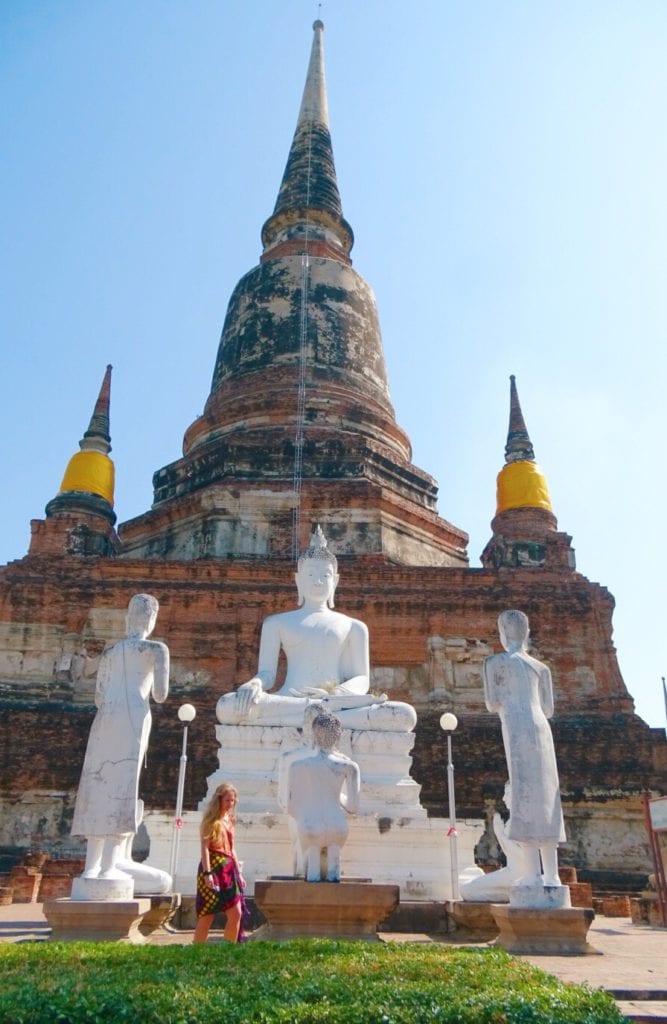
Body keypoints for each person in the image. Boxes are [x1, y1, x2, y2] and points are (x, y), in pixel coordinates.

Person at [217, 526, 415, 732]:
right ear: (298, 580)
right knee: (227, 706)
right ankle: (316, 713)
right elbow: (267, 675)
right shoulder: (276, 623)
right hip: (288, 700)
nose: (318, 581)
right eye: (310, 574)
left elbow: (362, 679)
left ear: (335, 581)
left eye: (325, 575)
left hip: (335, 703)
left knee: (403, 715)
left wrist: (336, 694)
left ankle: (316, 713)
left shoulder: (354, 626)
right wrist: (255, 684)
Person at [71, 593, 169, 884]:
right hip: (135, 716)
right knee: (124, 785)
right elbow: (160, 694)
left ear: (129, 618)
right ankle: (110, 866)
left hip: (105, 719)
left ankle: (91, 867)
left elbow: (99, 695)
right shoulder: (156, 649)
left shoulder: (111, 652)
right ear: (152, 618)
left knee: (97, 785)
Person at [483, 609, 566, 887]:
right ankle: (552, 875)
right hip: (541, 728)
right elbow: (548, 708)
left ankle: (531, 874)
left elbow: (493, 702)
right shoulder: (541, 667)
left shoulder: (494, 663)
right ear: (527, 632)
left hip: (516, 725)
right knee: (547, 796)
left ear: (502, 633)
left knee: (524, 794)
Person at [287, 710, 360, 882]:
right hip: (337, 825)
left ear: (313, 734)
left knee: (312, 873)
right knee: (334, 875)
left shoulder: (297, 765)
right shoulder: (350, 767)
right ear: (338, 736)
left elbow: (292, 806)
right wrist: (338, 796)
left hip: (310, 824)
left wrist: (307, 815)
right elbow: (352, 807)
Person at [193, 783, 245, 943]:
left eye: (233, 801)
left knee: (236, 913)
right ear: (219, 800)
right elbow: (205, 848)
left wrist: (239, 873)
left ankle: (229, 950)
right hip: (212, 868)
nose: (231, 804)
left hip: (228, 869)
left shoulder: (230, 820)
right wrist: (208, 873)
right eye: (228, 800)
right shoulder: (211, 820)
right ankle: (196, 952)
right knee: (207, 914)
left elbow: (232, 848)